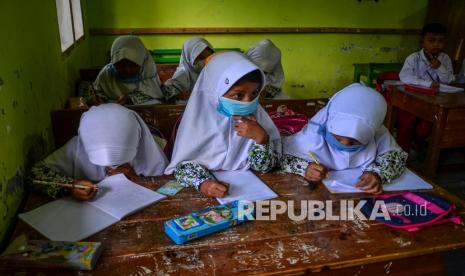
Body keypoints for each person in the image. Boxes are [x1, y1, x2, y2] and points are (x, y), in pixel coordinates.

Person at [165, 52, 282, 198]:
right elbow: (180, 166)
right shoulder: (197, 122)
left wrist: (262, 140)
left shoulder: (256, 118)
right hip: (204, 197)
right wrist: (203, 183)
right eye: (238, 95)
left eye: (254, 94)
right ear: (214, 91)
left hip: (252, 192)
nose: (247, 102)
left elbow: (265, 167)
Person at [281, 83, 408, 194]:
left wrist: (377, 173)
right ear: (327, 126)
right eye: (338, 138)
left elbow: (395, 157)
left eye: (354, 142)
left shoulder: (377, 130)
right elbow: (282, 157)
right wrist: (305, 168)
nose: (345, 145)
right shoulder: (313, 134)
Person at [31, 104, 168, 200]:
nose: (111, 166)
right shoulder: (77, 147)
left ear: (137, 138)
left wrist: (137, 180)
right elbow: (35, 174)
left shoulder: (149, 147)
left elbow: (168, 183)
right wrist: (71, 186)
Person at [89, 35, 164, 105]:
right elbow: (96, 92)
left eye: (133, 65)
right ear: (114, 62)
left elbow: (156, 94)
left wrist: (132, 99)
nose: (127, 70)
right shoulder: (106, 74)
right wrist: (96, 98)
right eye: (121, 65)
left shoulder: (148, 73)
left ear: (142, 62)